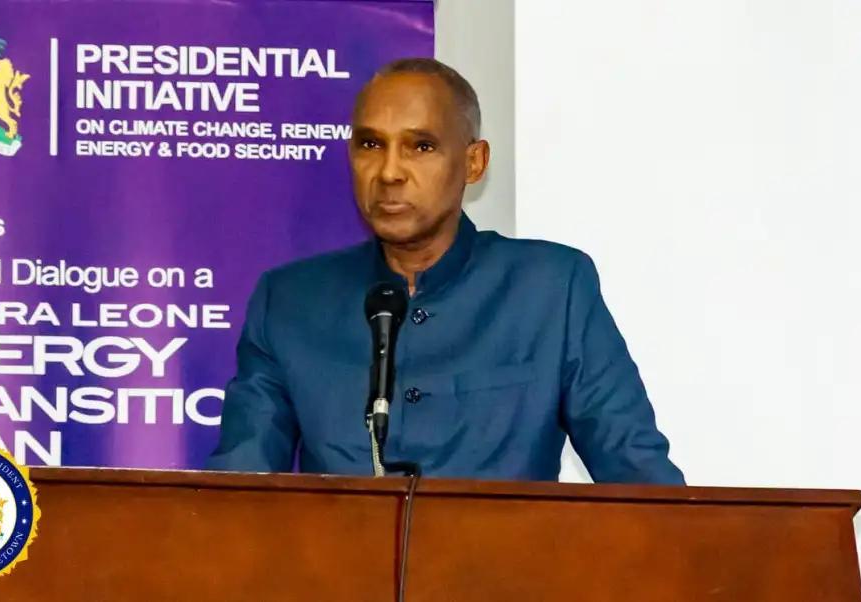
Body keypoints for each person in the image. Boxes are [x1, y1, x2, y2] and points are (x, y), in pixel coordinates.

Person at [205, 58, 684, 484]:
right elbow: (238, 491)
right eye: (370, 144)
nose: (389, 172)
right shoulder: (290, 301)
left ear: (474, 162)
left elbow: (638, 477)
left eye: (421, 147)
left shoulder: (551, 289)